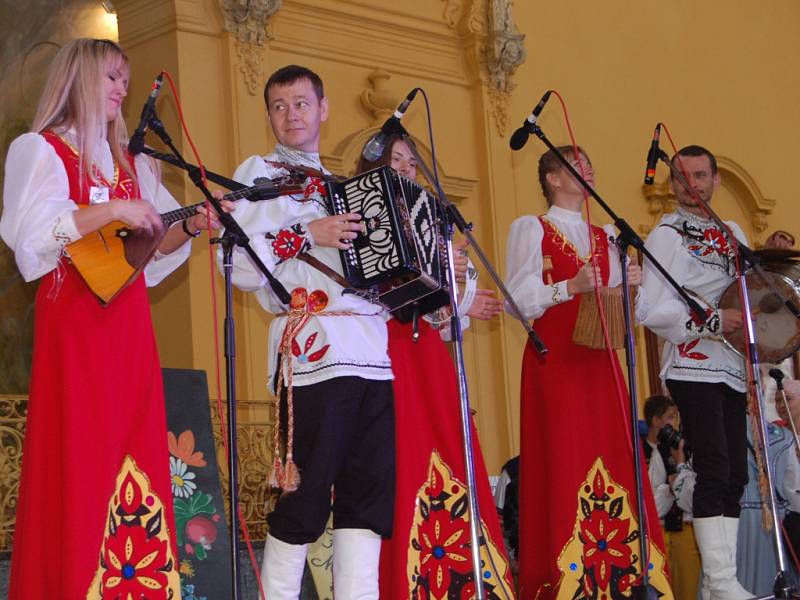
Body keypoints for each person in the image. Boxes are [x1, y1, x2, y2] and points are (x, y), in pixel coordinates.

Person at [0, 38, 221, 598]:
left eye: (126, 78)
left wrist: (192, 225)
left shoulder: (133, 161)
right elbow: (29, 235)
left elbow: (150, 249)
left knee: (133, 452)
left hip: (128, 328)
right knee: (82, 457)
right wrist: (113, 208)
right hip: (74, 327)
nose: (123, 89)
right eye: (112, 77)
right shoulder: (40, 149)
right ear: (79, 79)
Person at [222, 64, 394, 599]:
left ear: (323, 109)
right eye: (278, 105)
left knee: (367, 499)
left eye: (301, 103)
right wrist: (306, 232)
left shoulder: (347, 188)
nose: (290, 114)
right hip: (313, 352)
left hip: (372, 351)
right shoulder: (259, 174)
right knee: (306, 495)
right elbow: (240, 265)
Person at [505, 145, 672, 599]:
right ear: (553, 179)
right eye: (577, 165)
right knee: (564, 452)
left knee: (612, 453)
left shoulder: (607, 237)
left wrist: (631, 290)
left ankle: (620, 571)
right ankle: (568, 576)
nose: (589, 170)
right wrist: (568, 286)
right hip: (555, 360)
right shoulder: (531, 228)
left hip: (601, 363)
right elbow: (514, 301)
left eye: (590, 164)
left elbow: (621, 317)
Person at [356, 135, 515, 598]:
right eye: (396, 160)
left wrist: (459, 296)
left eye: (412, 162)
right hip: (388, 350)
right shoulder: (368, 218)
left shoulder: (430, 222)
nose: (406, 168)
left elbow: (438, 317)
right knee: (405, 456)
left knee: (449, 449)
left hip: (429, 352)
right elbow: (383, 296)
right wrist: (459, 297)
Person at [638, 144, 753, 599]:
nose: (693, 185)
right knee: (715, 467)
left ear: (715, 179)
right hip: (694, 362)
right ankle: (722, 583)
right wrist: (711, 320)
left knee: (737, 476)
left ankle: (718, 582)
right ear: (672, 184)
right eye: (684, 177)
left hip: (734, 364)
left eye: (702, 175)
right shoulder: (666, 233)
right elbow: (649, 307)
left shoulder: (734, 231)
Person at [642, 395, 700, 600]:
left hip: (691, 525)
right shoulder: (650, 449)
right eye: (670, 417)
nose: (675, 422)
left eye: (676, 417)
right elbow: (651, 497)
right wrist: (670, 488)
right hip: (664, 528)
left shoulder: (688, 445)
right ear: (656, 420)